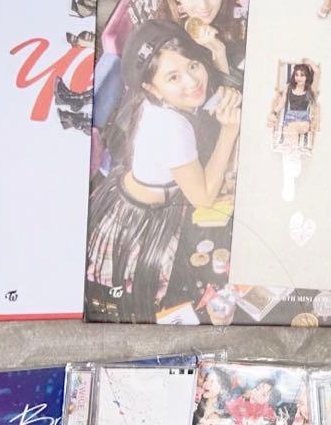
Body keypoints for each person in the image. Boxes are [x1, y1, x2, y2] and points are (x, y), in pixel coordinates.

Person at [85, 21, 241, 321]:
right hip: (143, 222)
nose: (192, 81)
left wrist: (219, 59)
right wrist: (229, 131)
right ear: (150, 86)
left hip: (138, 195)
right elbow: (203, 197)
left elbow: (214, 94)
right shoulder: (171, 127)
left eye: (193, 65)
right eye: (173, 77)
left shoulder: (161, 101)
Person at [268, 63, 318, 151]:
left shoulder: (309, 89)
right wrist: (274, 112)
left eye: (302, 75)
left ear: (307, 77)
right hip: (289, 119)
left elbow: (317, 72)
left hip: (303, 121)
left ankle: (293, 151)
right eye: (296, 75)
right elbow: (282, 103)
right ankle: (293, 152)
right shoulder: (289, 87)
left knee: (292, 128)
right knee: (288, 136)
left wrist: (309, 61)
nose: (298, 78)